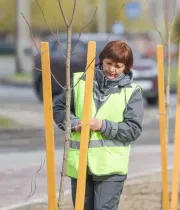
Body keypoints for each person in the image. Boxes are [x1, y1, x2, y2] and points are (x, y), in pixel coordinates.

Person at [53, 40, 144, 210]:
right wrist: (73, 123)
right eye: (108, 64)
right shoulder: (79, 81)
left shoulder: (132, 92)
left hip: (110, 168)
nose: (111, 70)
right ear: (101, 60)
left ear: (126, 67)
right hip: (81, 164)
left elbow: (133, 129)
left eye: (118, 66)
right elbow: (59, 108)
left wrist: (103, 126)